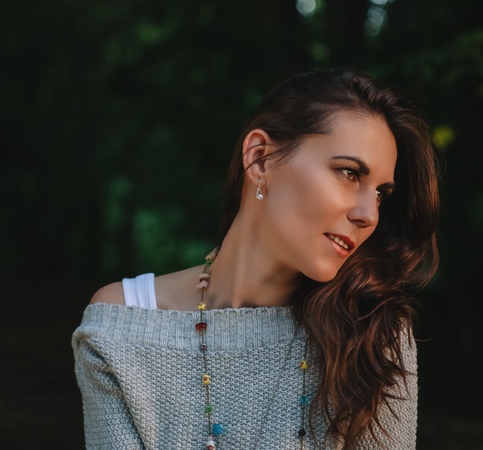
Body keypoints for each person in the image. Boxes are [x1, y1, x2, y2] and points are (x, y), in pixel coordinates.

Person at [72, 67, 440, 449]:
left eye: (381, 193)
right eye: (349, 173)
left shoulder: (372, 335)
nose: (369, 215)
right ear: (261, 158)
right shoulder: (122, 328)